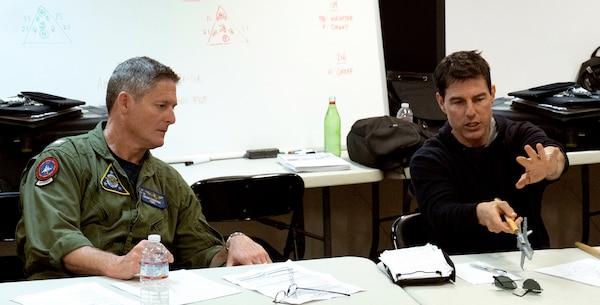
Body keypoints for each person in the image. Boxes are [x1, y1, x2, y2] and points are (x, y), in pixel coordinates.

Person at [16, 56, 272, 280]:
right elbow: (55, 240)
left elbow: (199, 250)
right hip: (68, 293)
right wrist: (118, 265)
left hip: (147, 294)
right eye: (161, 106)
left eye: (173, 108)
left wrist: (233, 246)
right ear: (125, 103)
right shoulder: (66, 161)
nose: (171, 118)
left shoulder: (167, 180)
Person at [409, 50, 568, 254]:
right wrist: (480, 213)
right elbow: (440, 212)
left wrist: (550, 164)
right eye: (458, 102)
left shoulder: (518, 135)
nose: (471, 112)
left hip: (528, 263)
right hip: (460, 269)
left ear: (492, 94)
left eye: (479, 99)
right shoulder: (428, 158)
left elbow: (552, 153)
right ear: (441, 102)